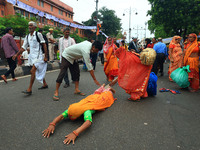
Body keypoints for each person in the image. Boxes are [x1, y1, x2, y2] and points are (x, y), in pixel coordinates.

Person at [43, 84, 116, 145]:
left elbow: (88, 123)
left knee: (108, 93)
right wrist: (52, 124)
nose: (69, 117)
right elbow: (61, 116)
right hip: (92, 96)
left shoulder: (87, 111)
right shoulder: (72, 108)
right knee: (97, 91)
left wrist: (75, 133)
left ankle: (109, 88)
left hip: (98, 99)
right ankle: (103, 86)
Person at [15, 21, 48, 95]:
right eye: (29, 25)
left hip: (39, 57)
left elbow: (44, 45)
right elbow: (23, 47)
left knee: (32, 71)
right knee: (38, 70)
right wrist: (16, 54)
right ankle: (45, 84)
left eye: (31, 25)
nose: (29, 27)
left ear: (35, 27)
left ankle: (29, 89)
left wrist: (46, 56)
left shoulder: (38, 34)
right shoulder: (27, 36)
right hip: (32, 57)